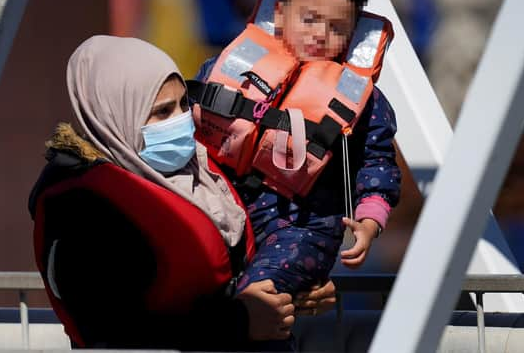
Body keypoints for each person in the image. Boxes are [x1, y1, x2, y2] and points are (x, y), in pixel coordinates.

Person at [28, 35, 335, 350]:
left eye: (184, 104)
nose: (182, 120)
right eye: (162, 113)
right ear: (116, 115)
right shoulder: (83, 210)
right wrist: (240, 321)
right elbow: (109, 328)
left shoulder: (200, 171)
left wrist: (292, 285)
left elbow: (234, 268)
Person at [195, 0, 401, 309]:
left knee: (258, 301)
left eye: (337, 28)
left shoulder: (365, 101)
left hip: (302, 229)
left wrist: (369, 222)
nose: (320, 35)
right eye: (309, 19)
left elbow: (378, 164)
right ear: (279, 13)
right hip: (222, 210)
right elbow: (185, 120)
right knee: (214, 303)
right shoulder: (231, 66)